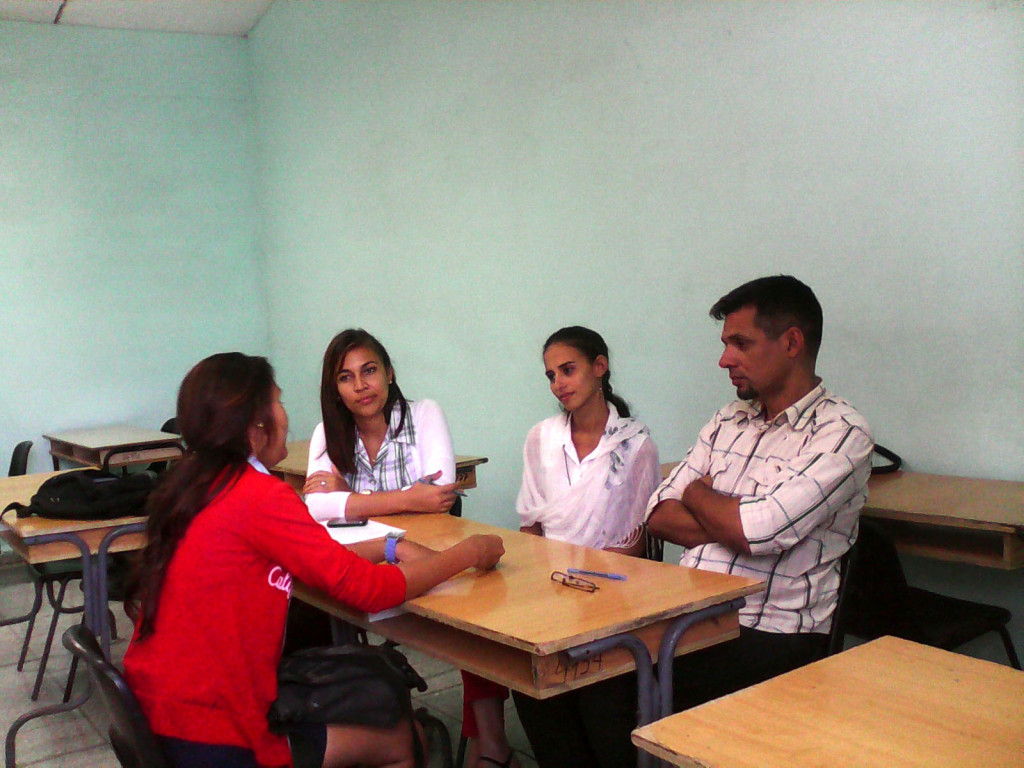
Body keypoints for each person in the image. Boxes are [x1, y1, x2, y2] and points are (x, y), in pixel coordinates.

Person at [123, 352, 504, 768]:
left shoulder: (194, 486)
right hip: (216, 734)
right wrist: (468, 552)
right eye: (278, 402)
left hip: (157, 713)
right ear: (255, 427)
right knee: (401, 740)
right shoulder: (259, 496)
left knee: (375, 701)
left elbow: (305, 559)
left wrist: (387, 547)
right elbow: (371, 591)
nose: (286, 415)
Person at [647, 274, 874, 709]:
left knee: (610, 685)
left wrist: (695, 492)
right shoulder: (728, 418)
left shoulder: (842, 431)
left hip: (770, 630)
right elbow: (657, 514)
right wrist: (732, 521)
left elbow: (758, 533)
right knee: (558, 678)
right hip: (690, 611)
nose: (724, 360)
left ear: (792, 343)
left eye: (741, 344)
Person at [475, 326, 660, 768]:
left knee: (601, 709)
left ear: (600, 367)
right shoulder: (541, 437)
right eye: (551, 375)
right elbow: (532, 529)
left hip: (610, 596)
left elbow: (635, 544)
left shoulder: (636, 445)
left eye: (569, 370)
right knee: (531, 685)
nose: (559, 383)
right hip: (549, 585)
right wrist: (545, 589)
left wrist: (585, 588)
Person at [304, 329, 459, 522]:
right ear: (335, 389)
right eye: (345, 377)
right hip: (358, 549)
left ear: (389, 373)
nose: (360, 386)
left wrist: (350, 496)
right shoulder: (326, 433)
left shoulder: (425, 414)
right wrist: (411, 498)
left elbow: (439, 495)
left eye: (369, 371)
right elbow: (316, 507)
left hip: (423, 545)